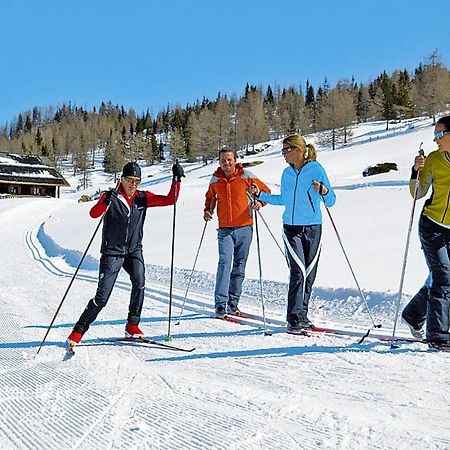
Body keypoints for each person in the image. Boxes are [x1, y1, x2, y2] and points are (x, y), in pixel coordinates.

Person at [67, 160, 185, 348]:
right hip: (112, 252)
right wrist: (106, 200)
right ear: (121, 179)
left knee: (140, 282)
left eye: (136, 181)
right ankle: (77, 331)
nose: (133, 184)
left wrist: (176, 179)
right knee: (102, 297)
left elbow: (170, 199)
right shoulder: (111, 197)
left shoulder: (142, 198)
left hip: (133, 250)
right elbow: (93, 214)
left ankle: (132, 325)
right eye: (129, 180)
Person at [249, 134, 336, 334]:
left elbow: (331, 200)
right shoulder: (286, 174)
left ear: (296, 150)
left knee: (309, 274)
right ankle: (294, 319)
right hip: (291, 228)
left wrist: (323, 190)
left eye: (285, 150)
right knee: (298, 271)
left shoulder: (316, 169)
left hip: (314, 228)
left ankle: (302, 316)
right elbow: (283, 200)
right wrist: (261, 196)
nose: (283, 155)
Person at [401, 115, 450, 349]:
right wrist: (415, 172)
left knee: (442, 277)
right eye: (435, 135)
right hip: (432, 226)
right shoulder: (433, 159)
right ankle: (438, 335)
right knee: (443, 276)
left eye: (440, 135)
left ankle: (413, 314)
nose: (435, 139)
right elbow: (418, 193)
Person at [204, 147, 270, 318]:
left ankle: (233, 304)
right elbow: (210, 198)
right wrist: (207, 210)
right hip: (225, 228)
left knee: (239, 266)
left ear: (235, 160)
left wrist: (260, 203)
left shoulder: (247, 176)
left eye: (229, 159)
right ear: (219, 162)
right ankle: (220, 304)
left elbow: (266, 193)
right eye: (223, 160)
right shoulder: (215, 179)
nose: (226, 163)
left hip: (245, 226)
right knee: (224, 263)